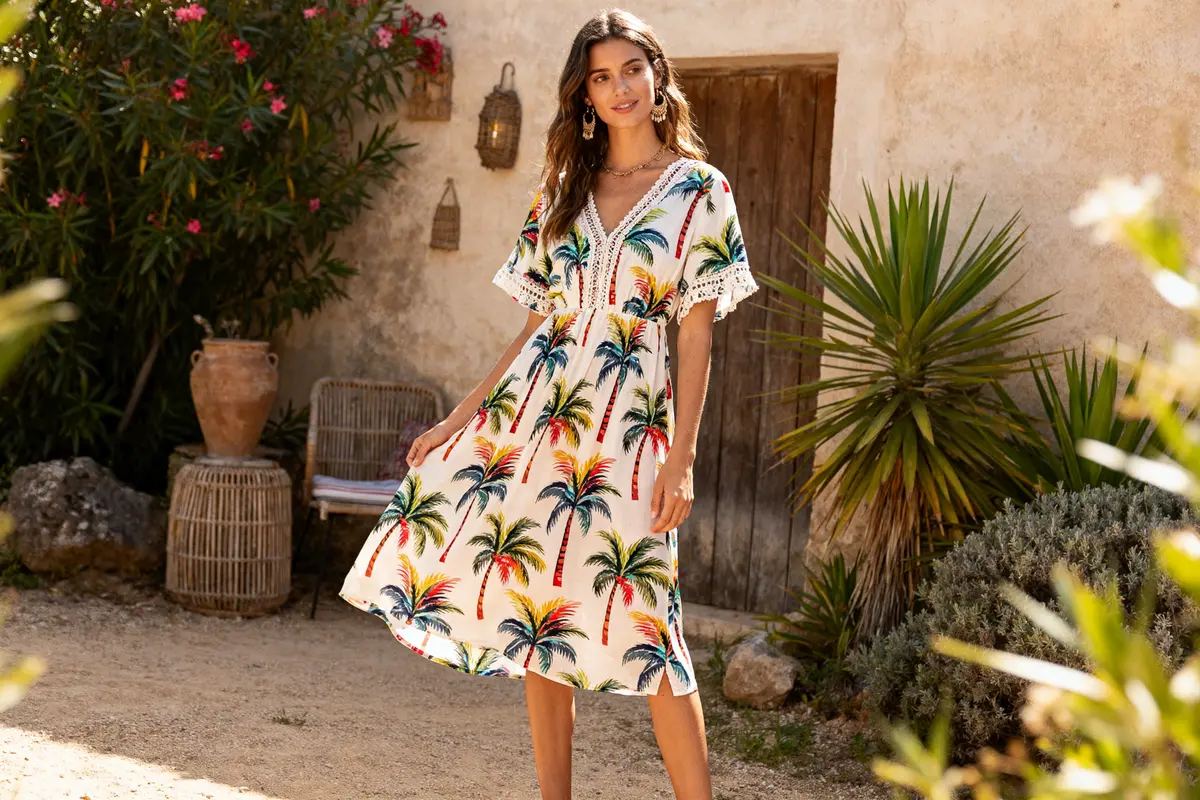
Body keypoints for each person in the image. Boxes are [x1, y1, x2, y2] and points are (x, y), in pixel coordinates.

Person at [339, 9, 758, 799]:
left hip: (631, 432)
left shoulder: (701, 190)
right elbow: (535, 326)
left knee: (651, 619)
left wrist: (684, 455)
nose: (620, 87)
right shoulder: (563, 189)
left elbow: (697, 339)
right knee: (540, 611)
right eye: (601, 77)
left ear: (658, 76)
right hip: (538, 419)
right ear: (586, 96)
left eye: (631, 69)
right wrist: (460, 419)